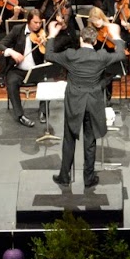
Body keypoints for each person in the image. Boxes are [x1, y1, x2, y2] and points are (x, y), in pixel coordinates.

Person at [44, 17, 118, 190]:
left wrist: (51, 35)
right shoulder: (102, 56)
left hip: (74, 102)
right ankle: (89, 178)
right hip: (92, 102)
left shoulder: (71, 54)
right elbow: (121, 54)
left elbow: (48, 55)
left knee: (69, 139)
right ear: (94, 40)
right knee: (90, 141)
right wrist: (116, 37)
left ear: (80, 39)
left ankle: (64, 176)